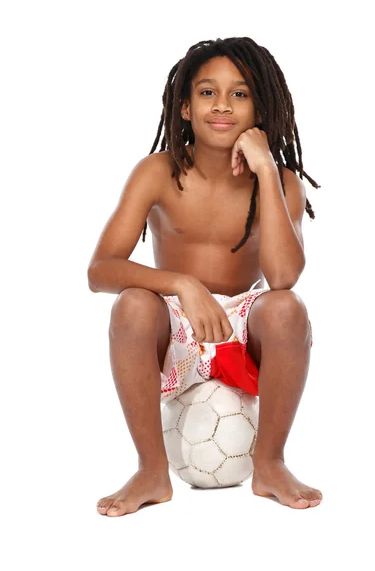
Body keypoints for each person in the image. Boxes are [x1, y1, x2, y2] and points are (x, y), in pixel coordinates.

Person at [88, 37, 323, 516]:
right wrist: (182, 284)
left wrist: (264, 169)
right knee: (131, 304)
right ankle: (151, 471)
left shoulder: (282, 181)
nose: (222, 105)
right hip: (178, 322)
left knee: (287, 310)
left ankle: (271, 464)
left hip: (243, 326)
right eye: (207, 92)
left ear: (262, 108)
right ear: (184, 109)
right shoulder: (157, 172)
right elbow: (100, 270)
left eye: (240, 94)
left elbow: (282, 277)